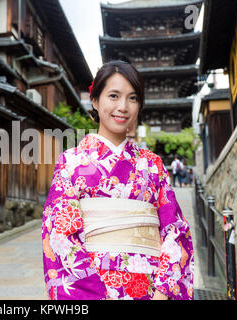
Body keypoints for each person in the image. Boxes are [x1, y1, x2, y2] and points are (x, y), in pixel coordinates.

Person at [42, 60, 194, 300]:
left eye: (133, 98)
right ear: (95, 100)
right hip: (93, 286)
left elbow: (175, 231)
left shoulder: (153, 165)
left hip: (150, 289)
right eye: (113, 96)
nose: (123, 106)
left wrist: (163, 293)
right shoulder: (70, 163)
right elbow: (60, 235)